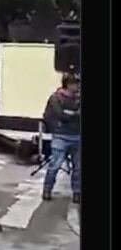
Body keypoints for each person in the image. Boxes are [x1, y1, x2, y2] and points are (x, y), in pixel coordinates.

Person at [41, 73, 81, 203]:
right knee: (55, 166)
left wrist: (69, 115)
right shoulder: (56, 98)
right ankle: (47, 190)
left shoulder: (78, 98)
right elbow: (57, 114)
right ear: (68, 84)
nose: (78, 86)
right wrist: (57, 125)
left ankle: (77, 192)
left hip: (76, 135)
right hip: (61, 135)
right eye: (75, 84)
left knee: (78, 167)